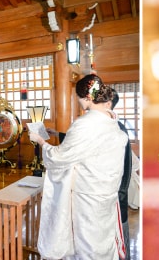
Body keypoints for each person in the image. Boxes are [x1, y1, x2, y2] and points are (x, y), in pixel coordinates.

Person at [31, 73, 127, 260]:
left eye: (79, 98)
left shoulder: (85, 123)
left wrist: (41, 141)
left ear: (88, 97)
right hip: (107, 192)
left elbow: (59, 157)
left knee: (87, 245)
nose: (79, 102)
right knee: (103, 239)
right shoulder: (111, 118)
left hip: (88, 195)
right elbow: (86, 147)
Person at [110, 92, 134, 260]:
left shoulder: (115, 128)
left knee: (118, 238)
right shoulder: (115, 126)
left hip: (116, 190)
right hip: (115, 189)